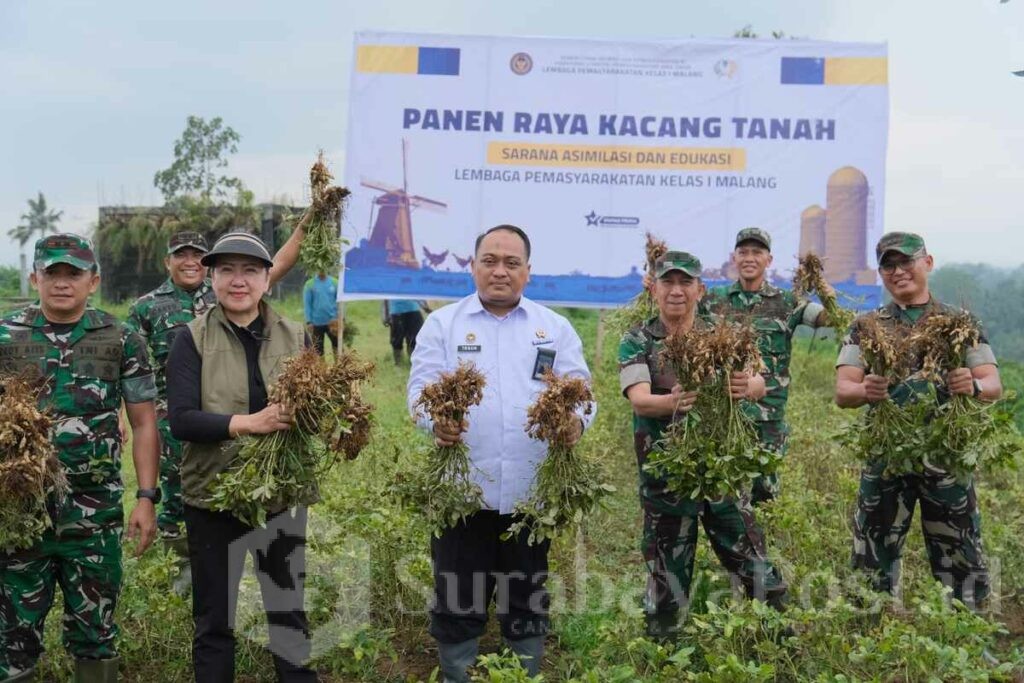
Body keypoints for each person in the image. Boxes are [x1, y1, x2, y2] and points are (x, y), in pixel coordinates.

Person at [407, 224, 594, 682]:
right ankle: (457, 674)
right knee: (458, 595)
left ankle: (522, 672)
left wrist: (575, 422)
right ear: (473, 267)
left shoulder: (554, 328)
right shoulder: (443, 325)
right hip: (462, 494)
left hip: (530, 496)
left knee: (525, 595)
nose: (500, 271)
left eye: (512, 263)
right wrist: (436, 421)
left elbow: (583, 394)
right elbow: (418, 393)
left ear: (528, 271)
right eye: (490, 261)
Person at [0, 234, 159, 683]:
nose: (62, 282)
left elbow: (144, 423)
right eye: (52, 272)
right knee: (11, 633)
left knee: (96, 631)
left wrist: (146, 497)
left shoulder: (121, 338)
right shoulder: (6, 336)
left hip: (94, 514)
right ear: (35, 278)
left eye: (74, 273)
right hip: (19, 511)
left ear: (94, 281)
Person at [167, 232, 316, 682]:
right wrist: (251, 422)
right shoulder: (190, 339)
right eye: (227, 270)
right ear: (211, 278)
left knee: (287, 610)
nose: (238, 280)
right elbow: (182, 420)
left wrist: (322, 410)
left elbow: (315, 413)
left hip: (280, 494)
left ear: (268, 279)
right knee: (215, 618)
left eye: (250, 270)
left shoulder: (296, 335)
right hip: (213, 495)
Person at [619, 251, 788, 641]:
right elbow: (640, 400)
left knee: (752, 562)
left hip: (722, 473)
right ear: (654, 289)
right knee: (666, 573)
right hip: (667, 474)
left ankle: (780, 639)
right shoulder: (638, 339)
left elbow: (760, 381)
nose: (676, 291)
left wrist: (747, 386)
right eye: (668, 282)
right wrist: (673, 401)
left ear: (700, 290)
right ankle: (662, 650)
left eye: (685, 283)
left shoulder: (722, 335)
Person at [126, 220, 311, 569]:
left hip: (264, 458)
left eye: (196, 254)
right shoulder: (151, 310)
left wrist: (307, 223)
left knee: (280, 579)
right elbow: (132, 370)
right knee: (181, 505)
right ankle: (180, 570)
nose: (189, 261)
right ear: (169, 262)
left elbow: (277, 263)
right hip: (184, 433)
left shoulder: (240, 300)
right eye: (181, 255)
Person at [835, 232, 1001, 610]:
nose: (898, 272)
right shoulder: (866, 326)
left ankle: (967, 628)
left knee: (960, 553)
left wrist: (972, 385)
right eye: (888, 265)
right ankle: (868, 626)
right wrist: (866, 390)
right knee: (872, 555)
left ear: (928, 262)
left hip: (946, 457)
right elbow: (844, 391)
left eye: (906, 261)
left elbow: (993, 384)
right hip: (887, 458)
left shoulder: (959, 322)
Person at [701, 227, 827, 504]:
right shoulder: (712, 301)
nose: (749, 258)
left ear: (768, 260)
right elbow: (679, 317)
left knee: (766, 495)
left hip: (767, 418)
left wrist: (822, 287)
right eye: (743, 252)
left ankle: (764, 533)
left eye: (757, 252)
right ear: (734, 258)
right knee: (722, 493)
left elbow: (827, 318)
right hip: (723, 413)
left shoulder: (788, 302)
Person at [303, 271, 338, 356]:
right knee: (318, 349)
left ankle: (339, 364)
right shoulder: (310, 284)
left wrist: (341, 318)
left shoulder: (335, 282)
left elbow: (340, 302)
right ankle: (321, 364)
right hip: (316, 322)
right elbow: (307, 304)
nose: (321, 270)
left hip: (333, 321)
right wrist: (309, 321)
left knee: (337, 346)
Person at [384, 299, 427, 364]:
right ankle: (399, 364)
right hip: (397, 311)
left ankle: (413, 362)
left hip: (413, 310)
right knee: (397, 341)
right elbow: (385, 297)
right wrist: (386, 314)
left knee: (415, 339)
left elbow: (420, 293)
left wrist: (425, 305)